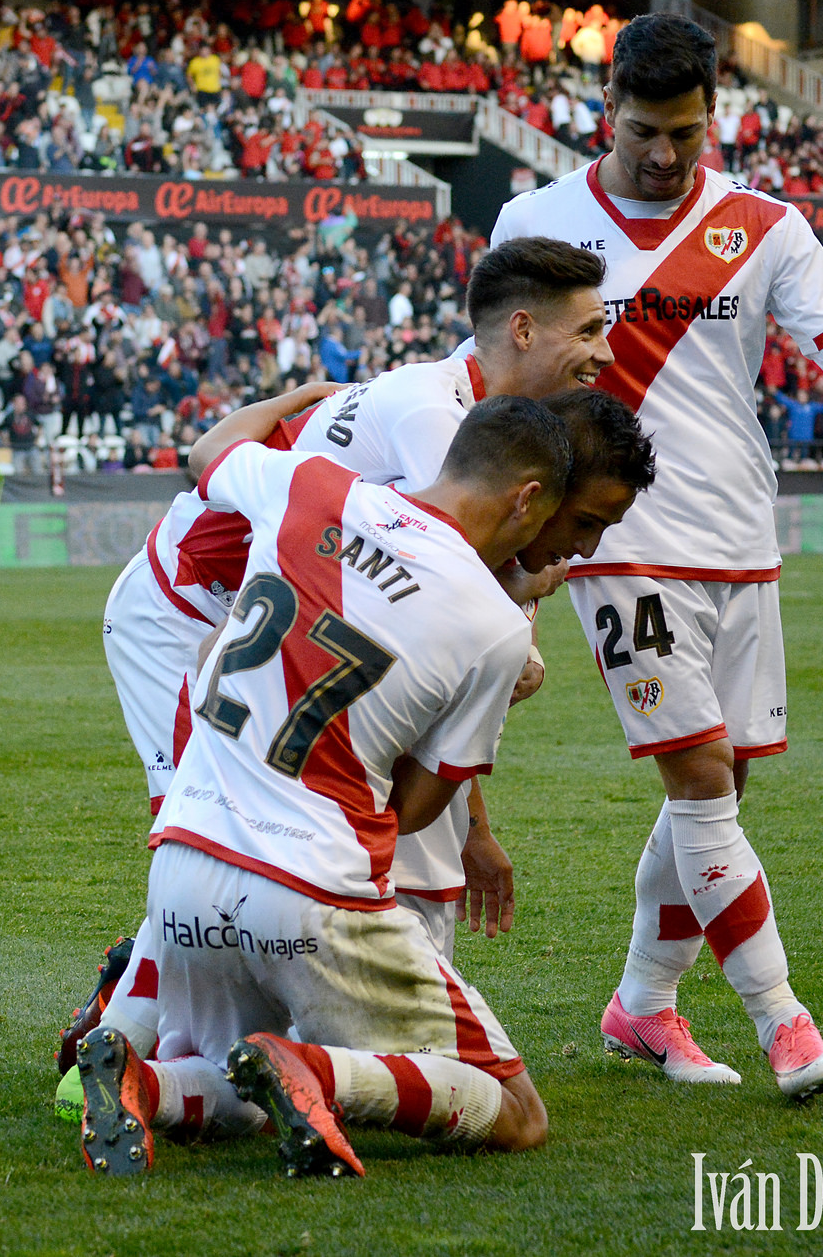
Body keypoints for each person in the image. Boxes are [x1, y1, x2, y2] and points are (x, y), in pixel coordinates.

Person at [489, 13, 823, 1098]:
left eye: (685, 134)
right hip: (612, 541)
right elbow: (495, 378)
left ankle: (641, 1007)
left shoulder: (763, 225)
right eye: (645, 130)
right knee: (698, 777)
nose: (662, 154)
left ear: (712, 119)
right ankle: (782, 1023)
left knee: (717, 793)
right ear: (607, 109)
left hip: (738, 540)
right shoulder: (536, 218)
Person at [78, 397, 582, 1178]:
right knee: (518, 1114)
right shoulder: (497, 625)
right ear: (527, 497)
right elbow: (416, 807)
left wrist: (295, 399)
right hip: (313, 890)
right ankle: (322, 1070)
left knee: (240, 1081)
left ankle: (144, 1080)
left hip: (177, 881)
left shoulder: (312, 485)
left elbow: (208, 448)